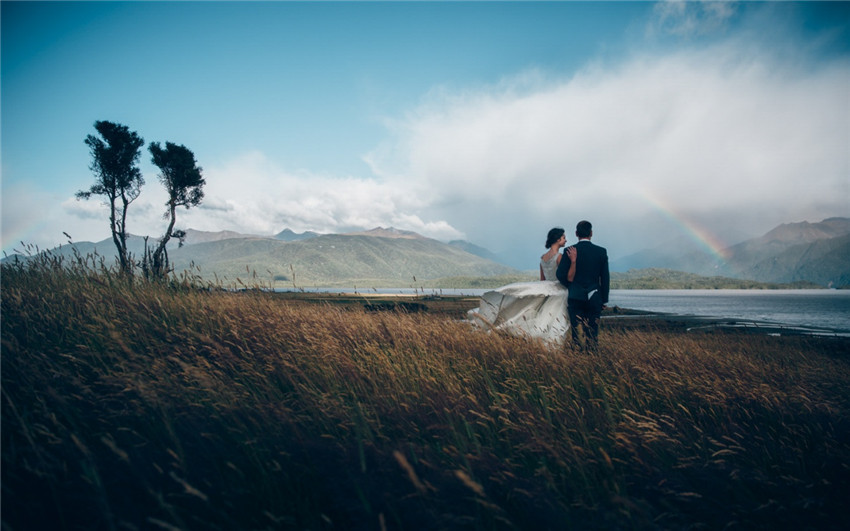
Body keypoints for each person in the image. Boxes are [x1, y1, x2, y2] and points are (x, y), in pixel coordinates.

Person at [467, 227, 574, 345]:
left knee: (543, 316)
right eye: (564, 238)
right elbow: (563, 276)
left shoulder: (543, 258)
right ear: (557, 239)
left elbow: (542, 280)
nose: (566, 240)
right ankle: (551, 342)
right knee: (554, 318)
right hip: (558, 291)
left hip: (546, 289)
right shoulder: (559, 257)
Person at [556, 220, 610, 350]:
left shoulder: (569, 251)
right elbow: (605, 277)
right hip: (595, 297)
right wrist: (604, 299)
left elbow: (560, 275)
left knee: (577, 334)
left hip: (575, 297)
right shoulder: (601, 252)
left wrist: (571, 285)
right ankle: (592, 358)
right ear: (591, 233)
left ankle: (578, 358)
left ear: (576, 233)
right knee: (593, 332)